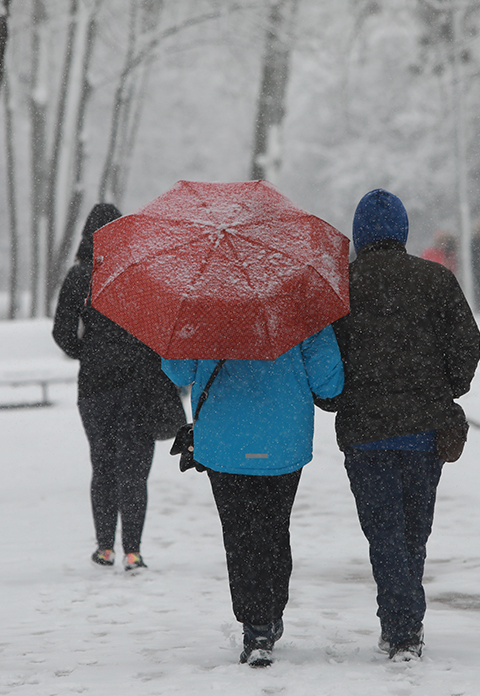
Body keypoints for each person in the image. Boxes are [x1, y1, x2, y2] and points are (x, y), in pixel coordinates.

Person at [316, 189, 480, 661]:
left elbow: (327, 364)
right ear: (403, 232)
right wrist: (446, 386)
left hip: (365, 434)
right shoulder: (435, 280)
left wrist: (337, 397)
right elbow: (466, 345)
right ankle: (406, 623)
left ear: (361, 234)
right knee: (414, 531)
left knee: (384, 532)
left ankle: (402, 626)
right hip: (425, 432)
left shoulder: (341, 288)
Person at [161, 327, 343, 668]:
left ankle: (256, 625)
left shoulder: (203, 306)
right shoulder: (300, 308)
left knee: (240, 534)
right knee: (275, 528)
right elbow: (328, 383)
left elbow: (178, 371)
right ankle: (272, 611)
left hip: (224, 438)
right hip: (283, 437)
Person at [53, 203, 186, 572]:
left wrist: (90, 352)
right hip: (141, 383)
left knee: (103, 464)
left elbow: (61, 333)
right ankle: (133, 550)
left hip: (95, 386)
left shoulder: (80, 277)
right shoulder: (144, 276)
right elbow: (166, 329)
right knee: (135, 469)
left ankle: (103, 547)